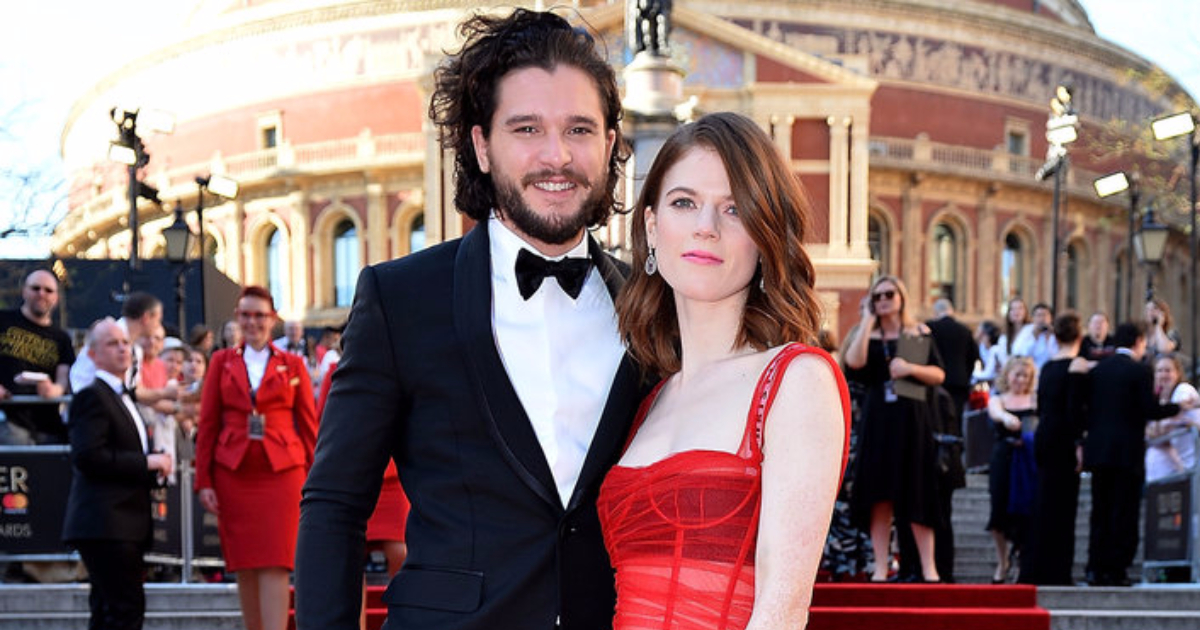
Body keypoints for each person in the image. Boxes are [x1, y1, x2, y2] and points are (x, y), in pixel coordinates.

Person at [295, 9, 644, 630]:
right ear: (482, 146)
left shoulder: (652, 307)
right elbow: (335, 506)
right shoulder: (400, 299)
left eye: (580, 129)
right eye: (527, 128)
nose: (557, 155)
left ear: (611, 144)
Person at [596, 112, 848, 629]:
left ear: (764, 236)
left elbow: (782, 611)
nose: (705, 227)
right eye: (684, 202)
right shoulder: (649, 398)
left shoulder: (795, 381)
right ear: (651, 226)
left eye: (734, 209)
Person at [196, 286, 318, 630]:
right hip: (233, 475)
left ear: (272, 319)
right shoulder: (221, 362)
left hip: (283, 475)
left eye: (260, 315)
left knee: (277, 562)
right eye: (246, 315)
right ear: (237, 318)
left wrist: (318, 480)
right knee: (244, 564)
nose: (253, 322)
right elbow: (208, 424)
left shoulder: (293, 364)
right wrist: (204, 480)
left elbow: (309, 426)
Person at [62, 318, 174, 630]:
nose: (123, 349)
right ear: (93, 355)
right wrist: (147, 462)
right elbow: (88, 457)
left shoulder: (123, 398)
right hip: (106, 523)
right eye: (112, 343)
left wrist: (154, 467)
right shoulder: (92, 396)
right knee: (124, 611)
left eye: (125, 342)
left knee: (108, 612)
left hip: (121, 522)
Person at [844, 275, 946, 583]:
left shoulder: (917, 332)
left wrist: (910, 368)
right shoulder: (867, 334)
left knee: (918, 491)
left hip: (912, 419)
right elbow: (853, 363)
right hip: (878, 421)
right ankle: (880, 566)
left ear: (901, 297)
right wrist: (866, 320)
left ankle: (929, 568)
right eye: (877, 296)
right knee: (878, 495)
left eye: (889, 294)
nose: (883, 300)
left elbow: (939, 374)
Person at [1082, 322, 1186, 586]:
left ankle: (1095, 568)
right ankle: (1116, 569)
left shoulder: (1098, 370)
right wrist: (1178, 407)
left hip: (1099, 451)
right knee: (1124, 511)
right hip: (1127, 452)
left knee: (1100, 511)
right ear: (1139, 341)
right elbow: (1149, 409)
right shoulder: (1139, 371)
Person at [315, 359, 409, 630]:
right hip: (352, 475)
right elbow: (323, 421)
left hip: (395, 474)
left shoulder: (404, 364)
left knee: (402, 553)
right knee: (349, 561)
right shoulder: (336, 371)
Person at [1020, 313, 1088, 585]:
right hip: (1064, 439)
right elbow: (1075, 410)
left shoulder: (1046, 367)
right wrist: (1079, 443)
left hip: (1045, 436)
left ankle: (1035, 568)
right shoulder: (1077, 365)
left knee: (1043, 503)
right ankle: (1058, 572)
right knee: (1063, 507)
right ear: (1079, 337)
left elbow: (1041, 406)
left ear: (1056, 337)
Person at [0, 269, 74, 445]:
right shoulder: (3, 320)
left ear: (56, 298)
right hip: (7, 419)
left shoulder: (62, 338)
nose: (42, 294)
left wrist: (54, 390)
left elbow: (63, 380)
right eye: (36, 288)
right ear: (24, 291)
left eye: (48, 290)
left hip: (47, 426)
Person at [985, 356, 1037, 583]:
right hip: (1004, 458)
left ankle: (1022, 558)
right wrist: (1007, 418)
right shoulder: (998, 399)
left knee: (1026, 511)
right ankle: (1002, 560)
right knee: (998, 508)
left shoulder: (1035, 400)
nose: (1021, 380)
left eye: (1025, 376)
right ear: (1008, 375)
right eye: (1017, 375)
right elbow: (995, 412)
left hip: (1028, 460)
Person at [1145, 354, 1200, 482]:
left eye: (1168, 370)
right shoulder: (1160, 400)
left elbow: (1158, 431)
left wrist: (1155, 430)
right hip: (1178, 468)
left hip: (1192, 465)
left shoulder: (1183, 390)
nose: (1163, 375)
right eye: (1159, 371)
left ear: (1178, 373)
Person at [1012, 302, 1057, 369]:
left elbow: (1057, 356)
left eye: (1045, 315)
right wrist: (1034, 338)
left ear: (1051, 318)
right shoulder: (1027, 331)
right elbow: (1019, 353)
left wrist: (1049, 340)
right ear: (1033, 318)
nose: (1042, 318)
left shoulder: (1055, 333)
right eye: (1039, 315)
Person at [996, 297, 1029, 367]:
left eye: (1020, 308)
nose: (1016, 312)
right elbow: (1002, 358)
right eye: (1013, 309)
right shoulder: (1004, 337)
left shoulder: (1031, 331)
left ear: (1025, 312)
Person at [972, 320, 1004, 386]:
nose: (977, 333)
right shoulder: (982, 348)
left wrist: (971, 373)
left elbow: (989, 373)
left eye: (979, 331)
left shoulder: (996, 349)